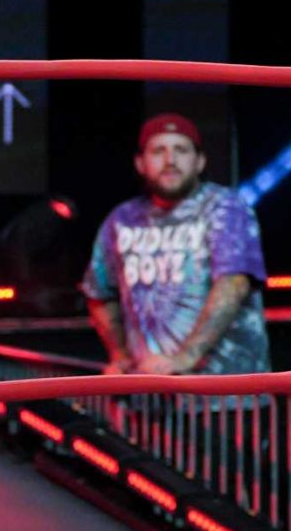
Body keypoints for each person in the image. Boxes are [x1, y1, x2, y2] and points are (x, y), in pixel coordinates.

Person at [81, 114, 270, 380]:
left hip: (226, 392)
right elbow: (98, 292)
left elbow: (234, 284)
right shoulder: (122, 219)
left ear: (200, 161)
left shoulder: (225, 206)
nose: (170, 160)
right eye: (159, 151)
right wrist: (120, 356)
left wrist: (184, 358)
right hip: (150, 392)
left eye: (181, 150)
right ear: (140, 163)